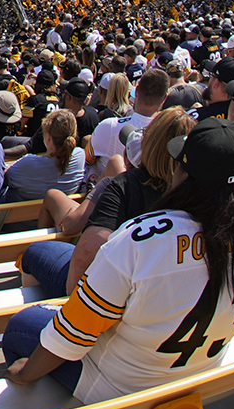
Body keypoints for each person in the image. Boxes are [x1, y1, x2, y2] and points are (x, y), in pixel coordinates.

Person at [4, 118, 234, 403]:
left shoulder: (141, 238)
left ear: (183, 173)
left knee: (21, 325)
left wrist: (25, 374)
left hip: (121, 383)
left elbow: (75, 332)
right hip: (204, 365)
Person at [26, 108, 191, 300]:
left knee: (34, 251)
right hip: (161, 292)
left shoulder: (124, 185)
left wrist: (75, 308)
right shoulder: (192, 190)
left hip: (110, 294)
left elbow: (86, 251)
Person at [5, 108, 87, 201]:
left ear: (48, 137)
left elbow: (4, 179)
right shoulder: (80, 156)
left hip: (20, 214)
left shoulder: (27, 163)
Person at [91, 69, 167, 162]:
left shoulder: (109, 126)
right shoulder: (167, 134)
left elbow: (88, 161)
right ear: (165, 98)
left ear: (136, 91)